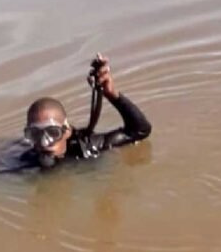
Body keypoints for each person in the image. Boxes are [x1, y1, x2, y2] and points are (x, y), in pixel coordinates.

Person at [21, 54, 152, 169]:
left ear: (66, 131)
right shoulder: (24, 162)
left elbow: (140, 131)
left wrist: (112, 95)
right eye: (35, 134)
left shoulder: (87, 147)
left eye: (53, 133)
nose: (44, 143)